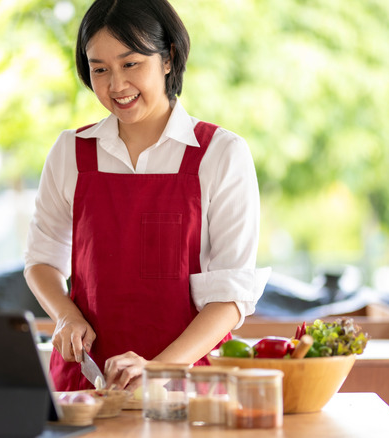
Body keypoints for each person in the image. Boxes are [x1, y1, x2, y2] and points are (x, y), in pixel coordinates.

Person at [24, 0, 265, 392]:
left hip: (185, 388)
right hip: (88, 385)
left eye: (130, 63)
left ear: (167, 57)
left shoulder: (221, 154)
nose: (115, 85)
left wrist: (158, 370)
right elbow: (41, 260)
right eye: (99, 69)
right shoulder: (70, 152)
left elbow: (230, 299)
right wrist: (66, 316)